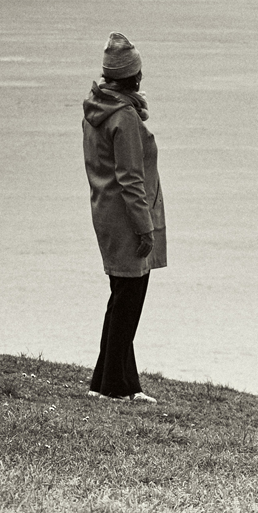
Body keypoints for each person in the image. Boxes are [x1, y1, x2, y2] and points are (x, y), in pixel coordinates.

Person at [83, 31, 165, 402]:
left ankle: (112, 383)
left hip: (105, 213)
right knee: (129, 300)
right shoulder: (124, 117)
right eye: (139, 72)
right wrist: (145, 228)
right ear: (131, 76)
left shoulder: (96, 110)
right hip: (127, 218)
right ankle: (113, 386)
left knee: (120, 299)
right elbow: (130, 178)